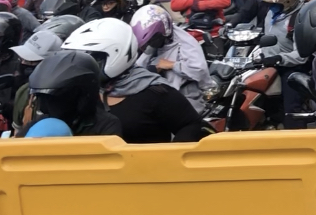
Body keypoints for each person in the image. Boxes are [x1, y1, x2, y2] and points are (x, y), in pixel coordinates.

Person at [63, 18, 208, 144]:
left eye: (92, 59)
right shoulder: (81, 91)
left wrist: (168, 159)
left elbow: (191, 125)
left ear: (116, 54)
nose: (82, 67)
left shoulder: (155, 92)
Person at [130, 5, 212, 114]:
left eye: (152, 40)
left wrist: (172, 65)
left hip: (186, 100)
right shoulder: (156, 45)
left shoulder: (184, 43)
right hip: (159, 97)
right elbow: (140, 66)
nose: (150, 44)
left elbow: (199, 71)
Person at [23, 49, 123, 137]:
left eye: (57, 98)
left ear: (82, 95)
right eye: (44, 98)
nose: (48, 104)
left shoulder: (106, 125)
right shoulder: (40, 124)